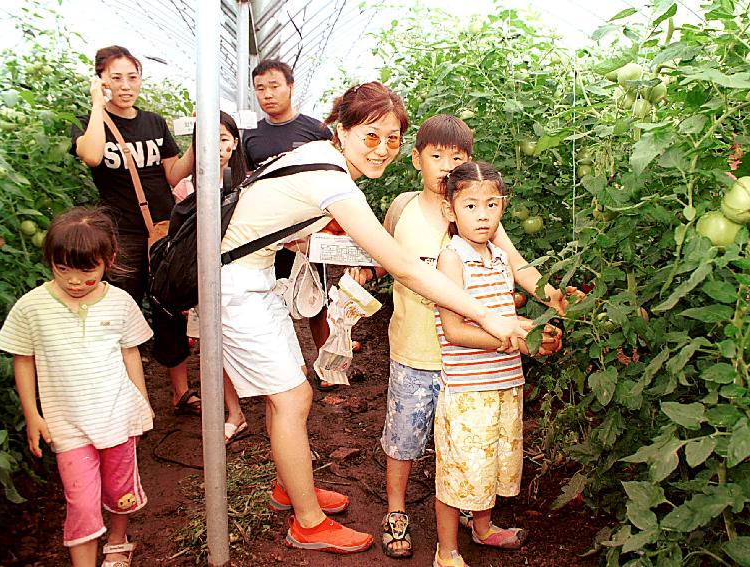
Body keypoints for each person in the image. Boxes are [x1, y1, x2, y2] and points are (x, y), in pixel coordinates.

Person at [217, 81, 527, 555]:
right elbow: (401, 263)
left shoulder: (321, 157)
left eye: (392, 138)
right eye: (371, 136)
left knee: (291, 393)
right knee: (294, 398)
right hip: (235, 284)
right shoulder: (332, 178)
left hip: (253, 278)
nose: (383, 149)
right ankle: (307, 522)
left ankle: (291, 487)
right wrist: (489, 315)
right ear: (340, 129)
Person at [375, 115, 569, 559]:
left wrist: (553, 294)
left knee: (470, 446)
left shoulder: (479, 216)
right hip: (417, 347)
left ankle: (476, 517)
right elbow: (383, 256)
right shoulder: (403, 208)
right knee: (406, 436)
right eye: (436, 156)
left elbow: (517, 266)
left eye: (457, 157)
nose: (446, 165)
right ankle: (397, 511)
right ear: (416, 159)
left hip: (473, 364)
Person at [0, 208, 155, 567]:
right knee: (81, 500)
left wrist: (142, 402)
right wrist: (33, 414)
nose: (73, 280)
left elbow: (130, 353)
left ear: (108, 260)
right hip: (67, 424)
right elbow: (24, 359)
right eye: (62, 268)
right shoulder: (32, 308)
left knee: (119, 490)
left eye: (86, 269)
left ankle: (117, 541)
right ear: (50, 261)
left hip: (117, 417)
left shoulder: (120, 303)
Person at [432, 161, 562, 567]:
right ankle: (446, 551)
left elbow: (504, 314)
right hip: (469, 391)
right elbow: (454, 330)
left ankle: (483, 528)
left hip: (504, 383)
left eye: (492, 204)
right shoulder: (451, 259)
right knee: (458, 471)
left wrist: (535, 333)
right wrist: (515, 343)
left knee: (488, 463)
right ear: (450, 210)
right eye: (471, 206)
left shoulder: (500, 259)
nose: (483, 215)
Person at [70, 45, 199, 417]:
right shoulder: (86, 123)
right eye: (116, 77)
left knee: (169, 306)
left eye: (133, 76)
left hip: (161, 229)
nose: (126, 86)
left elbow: (173, 175)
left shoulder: (155, 123)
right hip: (121, 233)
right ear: (101, 80)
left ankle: (180, 391)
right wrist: (98, 105)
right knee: (122, 309)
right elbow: (93, 156)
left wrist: (197, 142)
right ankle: (122, 395)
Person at [242, 60, 338, 389]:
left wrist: (328, 226)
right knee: (274, 296)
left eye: (274, 86)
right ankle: (285, 368)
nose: (267, 94)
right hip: (268, 235)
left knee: (317, 298)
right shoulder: (251, 136)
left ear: (290, 87)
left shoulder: (315, 131)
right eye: (260, 88)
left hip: (310, 231)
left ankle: (326, 366)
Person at [172, 111, 247, 443]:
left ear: (234, 145)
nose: (217, 147)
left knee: (234, 343)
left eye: (224, 139)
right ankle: (234, 412)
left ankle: (248, 402)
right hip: (203, 279)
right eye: (209, 138)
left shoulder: (246, 186)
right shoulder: (186, 188)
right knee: (212, 347)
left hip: (239, 278)